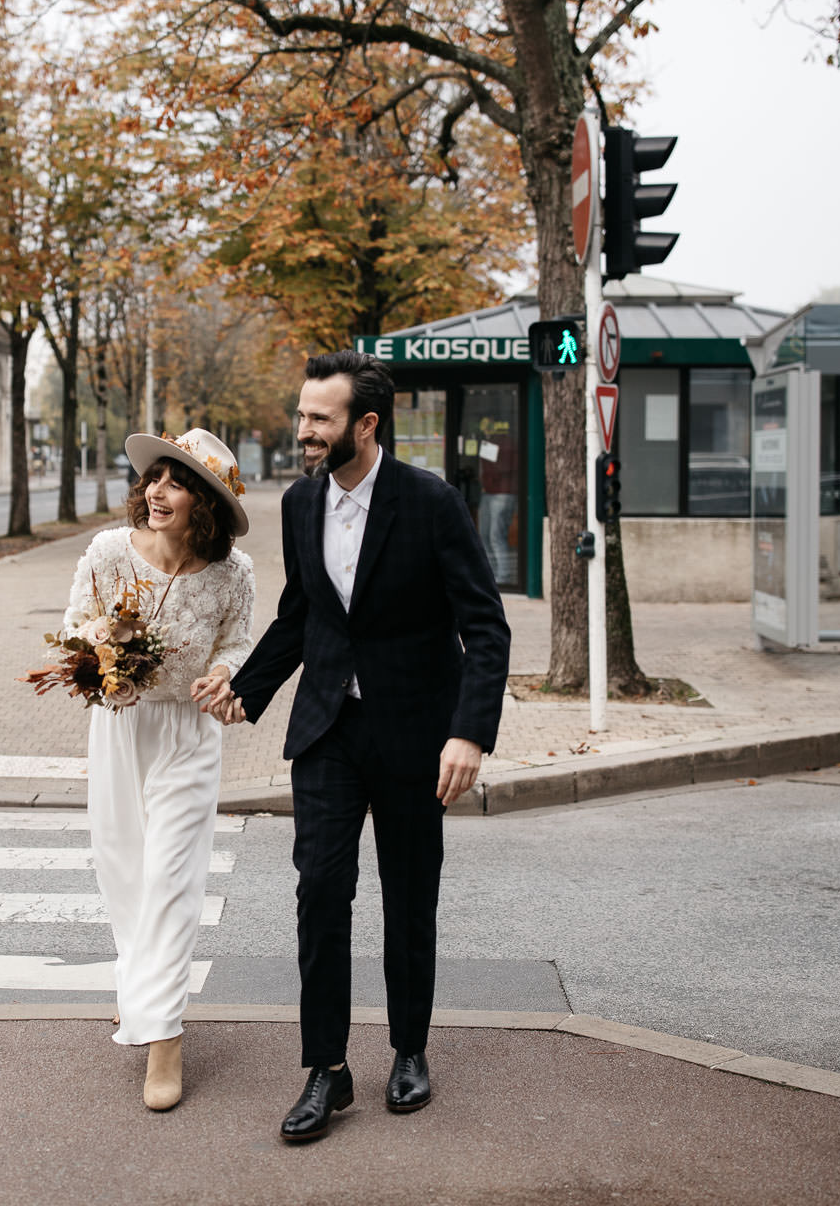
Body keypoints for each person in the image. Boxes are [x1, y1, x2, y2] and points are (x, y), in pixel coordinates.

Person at [210, 351, 511, 1144]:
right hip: (328, 733)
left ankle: (409, 1049)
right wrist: (246, 687)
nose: (302, 430)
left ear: (365, 425)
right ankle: (327, 1069)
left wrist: (470, 730)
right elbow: (301, 615)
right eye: (303, 414)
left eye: (319, 418)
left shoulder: (432, 504)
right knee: (320, 893)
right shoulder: (300, 503)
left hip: (417, 735)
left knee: (410, 897)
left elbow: (485, 627)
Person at [60, 428, 254, 1113]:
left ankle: (164, 1038)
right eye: (152, 481)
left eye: (173, 483)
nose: (155, 492)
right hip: (119, 726)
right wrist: (104, 652)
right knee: (125, 876)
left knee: (173, 879)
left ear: (203, 502)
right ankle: (141, 998)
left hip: (189, 736)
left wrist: (227, 675)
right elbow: (75, 622)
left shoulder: (236, 574)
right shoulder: (109, 552)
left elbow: (238, 641)